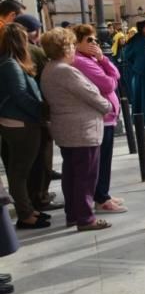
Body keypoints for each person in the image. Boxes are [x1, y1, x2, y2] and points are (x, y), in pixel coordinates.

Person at [39, 27, 113, 231]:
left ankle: (73, 214)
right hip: (81, 130)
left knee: (72, 174)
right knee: (85, 177)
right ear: (65, 48)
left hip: (67, 129)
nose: (73, 49)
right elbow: (92, 94)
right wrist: (107, 106)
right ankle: (85, 217)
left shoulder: (49, 68)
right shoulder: (65, 71)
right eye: (71, 45)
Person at [72, 25, 126, 214]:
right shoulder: (81, 61)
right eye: (89, 40)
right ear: (77, 43)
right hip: (100, 117)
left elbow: (117, 75)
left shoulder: (92, 58)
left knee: (105, 159)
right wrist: (107, 72)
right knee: (101, 160)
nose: (94, 43)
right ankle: (101, 198)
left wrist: (103, 59)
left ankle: (104, 193)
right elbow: (108, 83)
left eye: (95, 40)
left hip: (107, 117)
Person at [0, 23, 47, 228]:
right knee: (19, 173)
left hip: (17, 121)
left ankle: (28, 210)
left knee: (19, 171)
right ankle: (25, 214)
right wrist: (40, 112)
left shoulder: (9, 61)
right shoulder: (11, 64)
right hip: (21, 123)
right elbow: (20, 95)